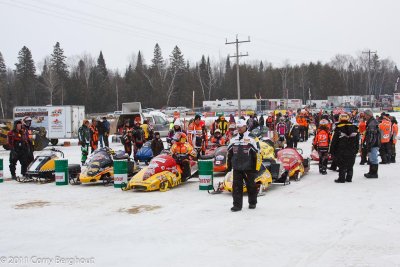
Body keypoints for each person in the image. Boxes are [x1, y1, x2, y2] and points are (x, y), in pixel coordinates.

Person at [227, 119, 260, 212]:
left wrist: (256, 168)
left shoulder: (253, 138)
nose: (239, 128)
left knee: (251, 186)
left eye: (241, 127)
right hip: (237, 167)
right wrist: (228, 165)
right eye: (238, 127)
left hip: (249, 167)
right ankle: (237, 205)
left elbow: (258, 153)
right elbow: (229, 153)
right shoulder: (233, 138)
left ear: (245, 126)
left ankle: (252, 202)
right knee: (236, 187)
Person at [329, 113, 359, 183]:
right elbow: (357, 140)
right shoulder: (354, 128)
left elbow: (334, 141)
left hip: (341, 150)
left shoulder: (338, 128)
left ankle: (341, 178)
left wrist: (331, 151)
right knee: (351, 164)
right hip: (352, 150)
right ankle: (349, 178)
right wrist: (357, 149)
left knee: (342, 165)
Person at [363, 110, 380, 178]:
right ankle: (371, 172)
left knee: (373, 158)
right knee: (371, 157)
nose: (364, 116)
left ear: (368, 115)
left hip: (374, 143)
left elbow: (372, 136)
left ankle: (374, 173)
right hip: (374, 143)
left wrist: (369, 144)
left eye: (365, 115)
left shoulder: (372, 123)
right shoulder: (372, 122)